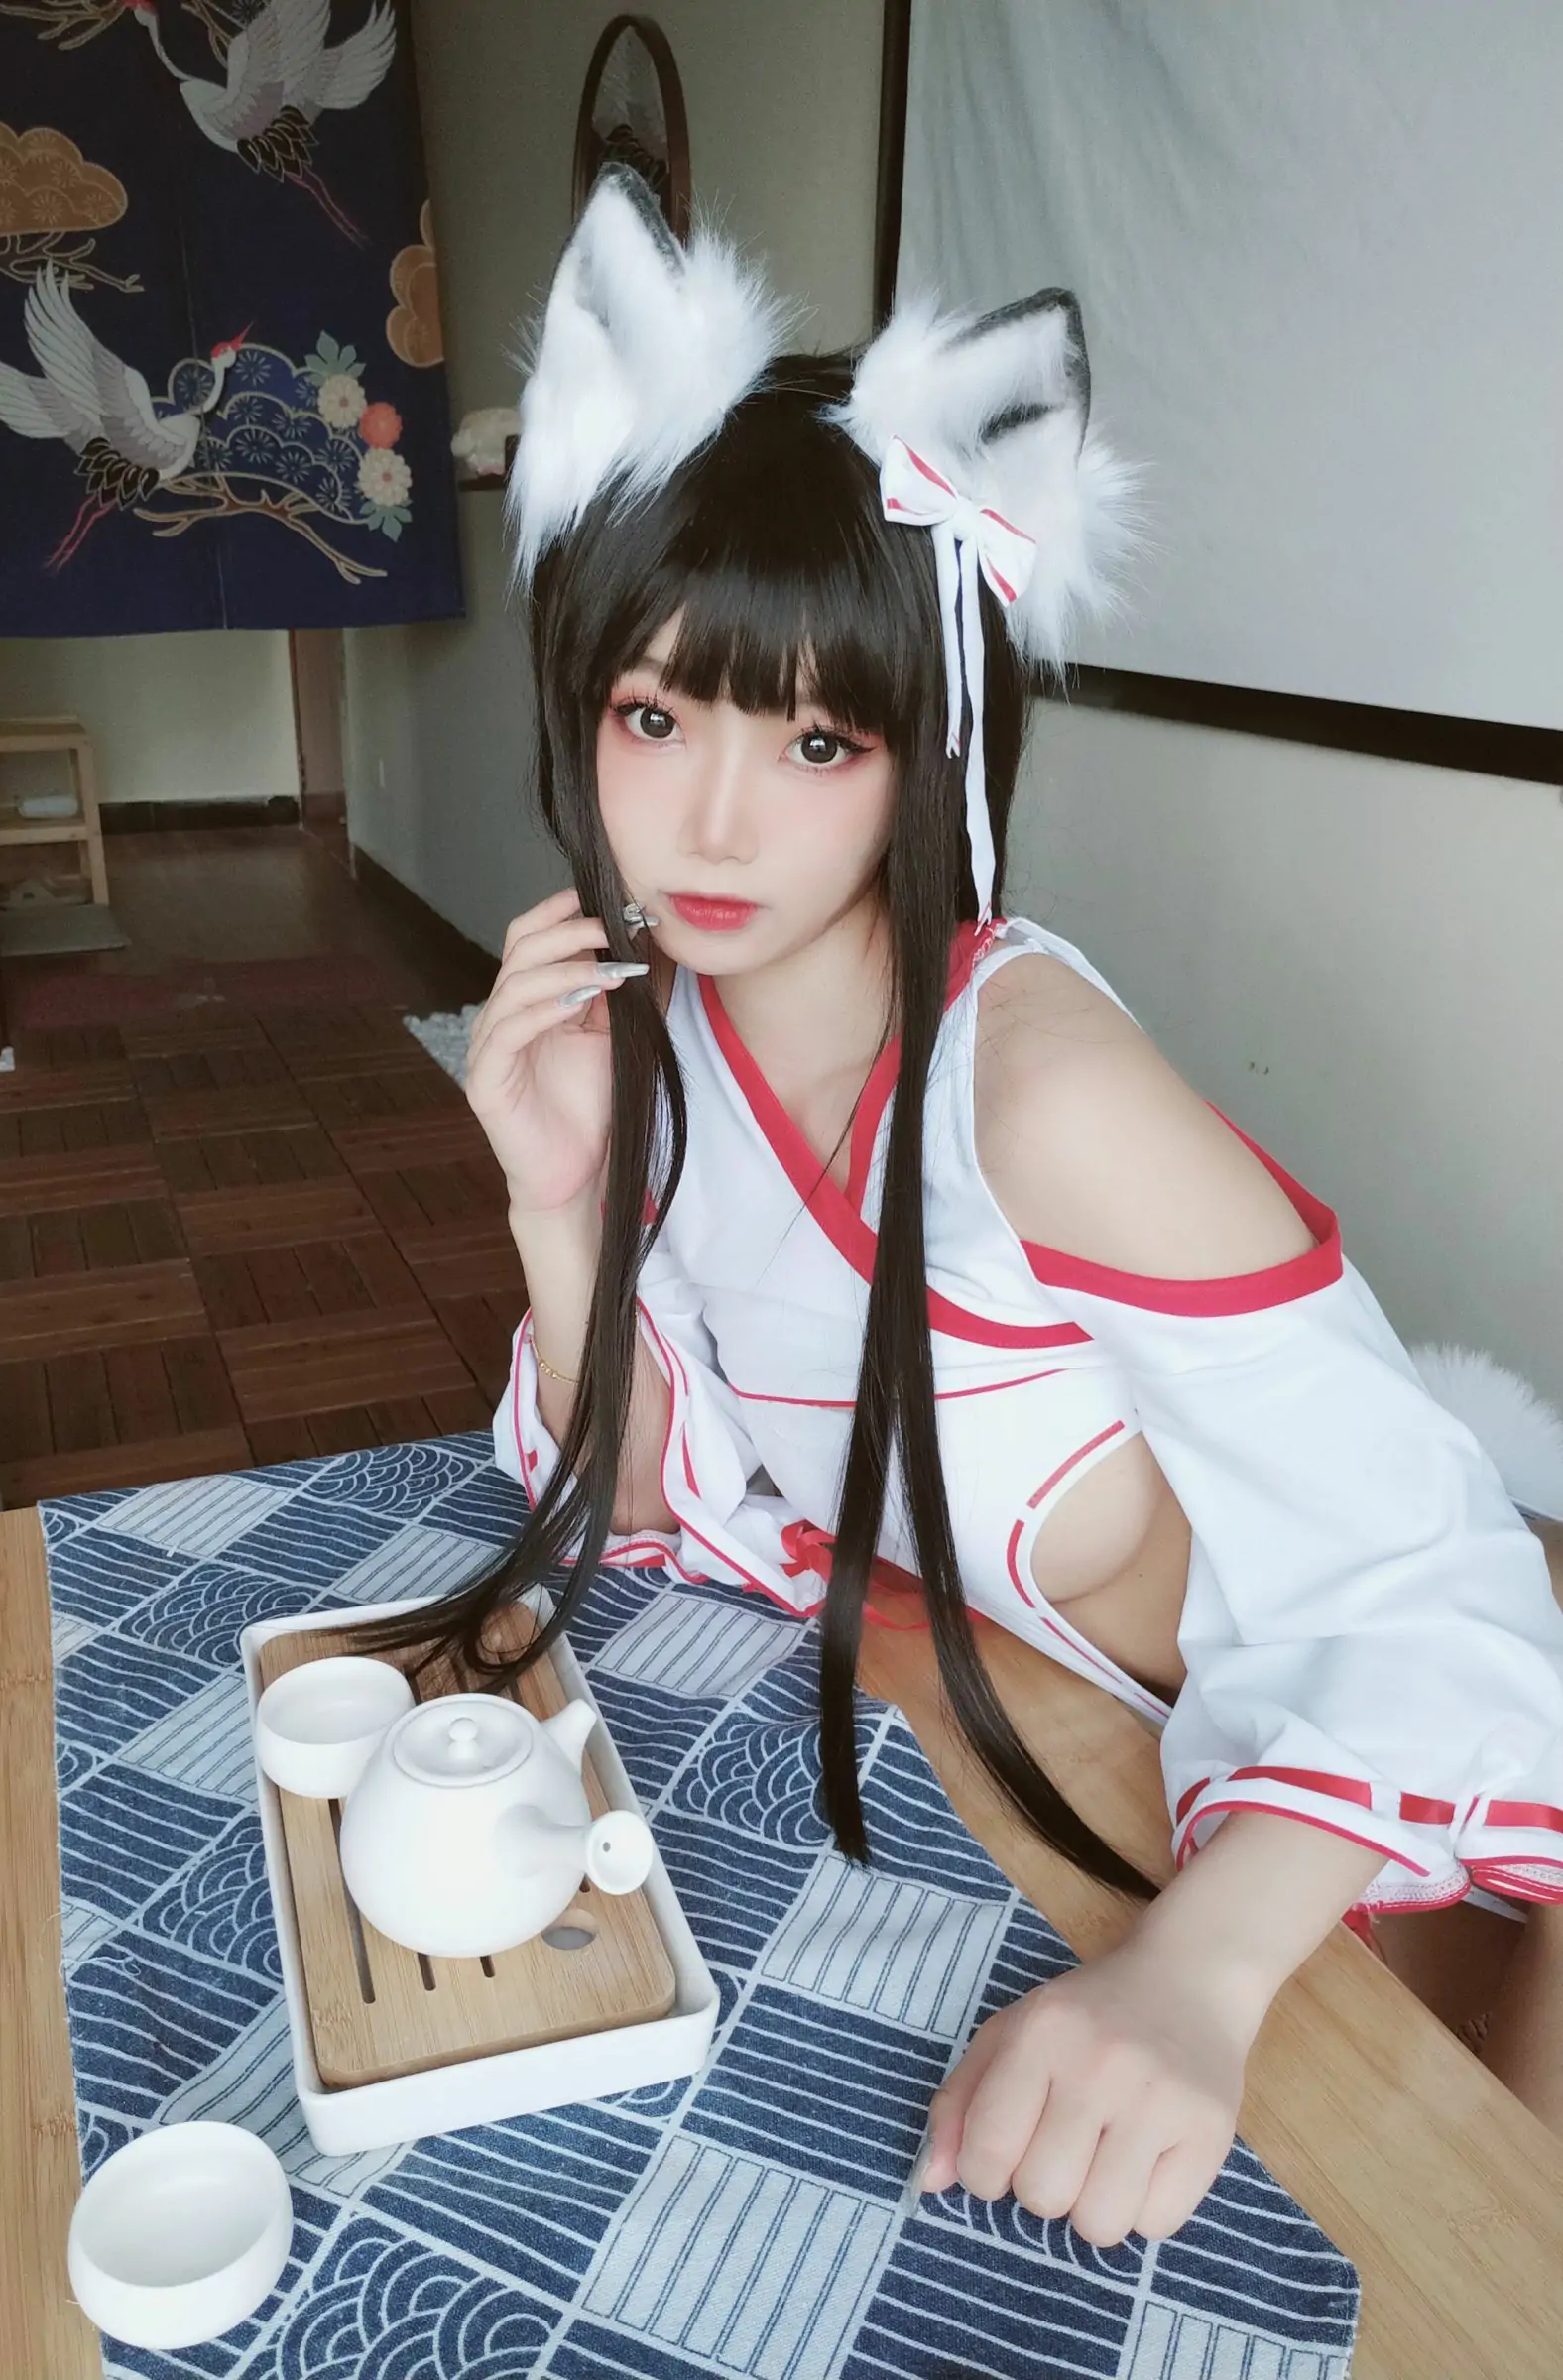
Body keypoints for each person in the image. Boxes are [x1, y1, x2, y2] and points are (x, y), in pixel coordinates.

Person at [368, 169, 1563, 2246]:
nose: (712, 821)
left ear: (928, 744)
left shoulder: (1039, 1093)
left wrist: (1196, 1973)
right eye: (654, 714)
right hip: (1062, 1774)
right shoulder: (671, 1032)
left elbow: (1444, 1597)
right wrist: (554, 1197)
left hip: (1382, 1824)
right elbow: (631, 1496)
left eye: (816, 740)